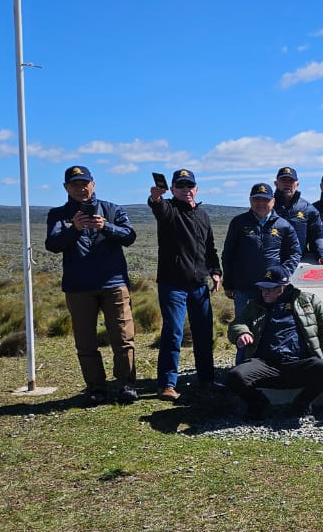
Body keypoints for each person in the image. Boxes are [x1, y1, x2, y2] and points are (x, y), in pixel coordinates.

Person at [45, 165, 137, 404]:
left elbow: (129, 236)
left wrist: (106, 226)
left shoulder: (112, 209)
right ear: (66, 187)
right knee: (85, 341)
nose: (81, 189)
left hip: (113, 283)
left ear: (93, 185)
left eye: (84, 184)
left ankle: (126, 384)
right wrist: (74, 230)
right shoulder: (58, 215)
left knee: (123, 336)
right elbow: (52, 244)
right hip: (79, 286)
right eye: (74, 184)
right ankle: (96, 387)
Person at [226, 265, 323, 420]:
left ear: (283, 287)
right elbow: (237, 323)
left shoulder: (308, 301)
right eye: (262, 288)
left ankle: (301, 404)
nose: (265, 292)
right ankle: (258, 403)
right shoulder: (255, 305)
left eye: (270, 288)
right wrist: (242, 332)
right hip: (265, 365)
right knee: (235, 376)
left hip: (300, 364)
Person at [148, 167, 223, 400]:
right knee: (173, 332)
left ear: (196, 188)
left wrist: (215, 271)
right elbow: (159, 209)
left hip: (199, 284)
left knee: (203, 334)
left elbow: (210, 248)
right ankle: (167, 384)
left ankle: (207, 379)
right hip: (173, 284)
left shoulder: (203, 215)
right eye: (180, 186)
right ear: (172, 189)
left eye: (189, 185)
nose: (185, 189)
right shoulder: (169, 210)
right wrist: (156, 198)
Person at [222, 183, 301, 325]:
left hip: (273, 289)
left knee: (272, 327)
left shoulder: (283, 225)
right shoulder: (238, 222)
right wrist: (228, 283)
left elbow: (294, 253)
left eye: (265, 199)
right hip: (245, 288)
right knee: (244, 327)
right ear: (250, 200)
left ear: (273, 201)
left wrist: (283, 275)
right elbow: (228, 254)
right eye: (256, 199)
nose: (261, 203)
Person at [273, 166, 323, 264]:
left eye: (291, 181)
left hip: (298, 261)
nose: (287, 184)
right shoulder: (266, 206)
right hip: (270, 261)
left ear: (297, 184)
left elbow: (318, 234)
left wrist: (322, 254)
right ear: (276, 183)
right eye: (284, 180)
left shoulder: (308, 209)